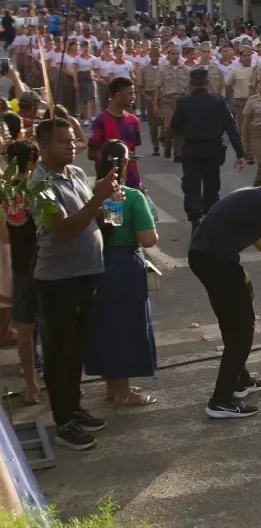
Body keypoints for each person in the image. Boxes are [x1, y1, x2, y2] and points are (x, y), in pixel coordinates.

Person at [189, 172, 261, 419]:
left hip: (203, 256)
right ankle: (220, 400)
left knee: (235, 314)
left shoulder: (253, 195)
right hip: (218, 261)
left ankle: (241, 381)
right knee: (242, 329)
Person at [32, 117, 120, 450]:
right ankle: (63, 420)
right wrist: (97, 200)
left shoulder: (76, 174)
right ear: (42, 147)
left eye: (72, 141)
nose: (70, 146)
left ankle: (74, 406)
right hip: (58, 280)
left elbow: (94, 216)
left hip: (86, 274)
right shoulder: (38, 185)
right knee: (59, 351)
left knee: (76, 349)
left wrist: (110, 202)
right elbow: (65, 230)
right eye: (62, 142)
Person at [84, 140, 158, 407]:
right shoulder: (132, 196)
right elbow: (148, 238)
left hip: (95, 263)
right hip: (124, 264)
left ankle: (113, 386)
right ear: (125, 164)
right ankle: (123, 392)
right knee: (125, 328)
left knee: (105, 325)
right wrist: (147, 207)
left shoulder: (91, 192)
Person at [172, 67, 246, 231]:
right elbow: (231, 127)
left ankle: (194, 218)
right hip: (212, 148)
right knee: (212, 183)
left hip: (191, 148)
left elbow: (175, 126)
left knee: (191, 184)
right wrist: (240, 152)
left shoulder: (184, 102)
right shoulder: (218, 102)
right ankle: (210, 216)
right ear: (208, 82)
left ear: (191, 84)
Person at [3, 140, 40, 406]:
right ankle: (53, 379)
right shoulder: (39, 190)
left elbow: (3, 235)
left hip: (19, 264)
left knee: (24, 329)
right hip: (44, 264)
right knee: (49, 327)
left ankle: (31, 387)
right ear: (31, 162)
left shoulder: (6, 192)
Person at [87, 77, 142, 191]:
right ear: (118, 94)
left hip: (132, 183)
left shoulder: (133, 120)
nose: (133, 97)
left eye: (134, 93)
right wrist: (111, 160)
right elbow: (91, 153)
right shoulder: (101, 120)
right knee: (113, 209)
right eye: (130, 93)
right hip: (109, 186)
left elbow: (133, 150)